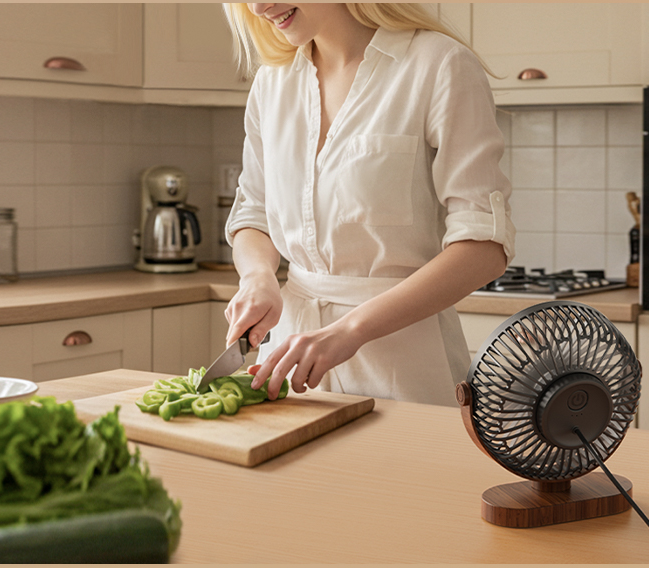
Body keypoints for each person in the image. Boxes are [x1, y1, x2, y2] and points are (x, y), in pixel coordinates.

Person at [220, 3, 515, 406]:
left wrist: (350, 330)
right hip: (287, 367)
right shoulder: (272, 84)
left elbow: (484, 248)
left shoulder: (439, 65)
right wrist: (257, 278)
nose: (258, 6)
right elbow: (254, 213)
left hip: (403, 372)